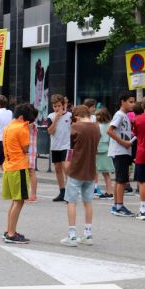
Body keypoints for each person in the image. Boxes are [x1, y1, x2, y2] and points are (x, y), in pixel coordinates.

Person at [60, 105, 100, 247]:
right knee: (87, 202)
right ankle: (88, 234)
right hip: (90, 169)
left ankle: (72, 235)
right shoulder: (96, 128)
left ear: (76, 116)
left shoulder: (76, 127)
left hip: (76, 168)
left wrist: (67, 164)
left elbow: (70, 149)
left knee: (71, 201)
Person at [2, 103, 37, 244]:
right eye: (28, 120)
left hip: (9, 166)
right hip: (19, 167)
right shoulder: (22, 128)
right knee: (19, 201)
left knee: (15, 201)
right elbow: (25, 148)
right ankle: (11, 233)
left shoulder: (8, 127)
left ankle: (9, 230)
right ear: (22, 117)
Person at [108, 92, 136, 217]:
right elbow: (110, 130)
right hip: (119, 151)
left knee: (120, 179)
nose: (133, 104)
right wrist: (123, 142)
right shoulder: (119, 115)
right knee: (122, 180)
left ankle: (116, 204)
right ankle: (119, 206)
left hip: (122, 151)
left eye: (133, 101)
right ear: (122, 102)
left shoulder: (124, 116)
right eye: (130, 101)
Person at [47, 94, 72, 202]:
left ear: (63, 105)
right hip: (55, 146)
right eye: (54, 106)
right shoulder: (51, 117)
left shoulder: (70, 116)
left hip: (67, 146)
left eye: (58, 106)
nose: (57, 108)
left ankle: (70, 193)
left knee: (67, 168)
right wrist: (56, 119)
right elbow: (50, 131)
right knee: (57, 169)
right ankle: (62, 191)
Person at [95, 108, 114, 199]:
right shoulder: (110, 125)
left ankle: (109, 192)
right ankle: (108, 191)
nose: (96, 117)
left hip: (99, 150)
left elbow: (97, 137)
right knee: (105, 173)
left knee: (103, 172)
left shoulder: (99, 126)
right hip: (106, 148)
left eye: (98, 115)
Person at [27, 109, 40, 202]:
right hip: (30, 150)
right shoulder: (32, 124)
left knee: (31, 171)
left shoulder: (31, 125)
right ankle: (32, 194)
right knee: (30, 172)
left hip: (29, 151)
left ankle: (33, 194)